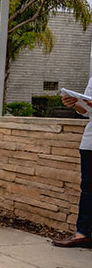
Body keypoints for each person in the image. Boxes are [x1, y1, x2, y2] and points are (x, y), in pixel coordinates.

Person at [54, 78, 92, 248]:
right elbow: (86, 111)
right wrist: (75, 104)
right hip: (90, 143)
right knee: (88, 190)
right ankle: (82, 234)